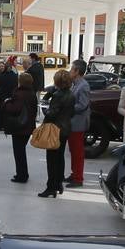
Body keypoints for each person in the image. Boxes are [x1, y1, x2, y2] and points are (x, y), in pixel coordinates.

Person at [39, 70, 74, 198]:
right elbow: (72, 112)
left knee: (52, 159)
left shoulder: (58, 95)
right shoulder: (71, 94)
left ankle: (51, 187)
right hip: (65, 128)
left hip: (55, 129)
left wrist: (46, 111)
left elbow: (52, 113)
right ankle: (58, 183)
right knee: (59, 158)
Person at [3, 72, 38, 184]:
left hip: (19, 127)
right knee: (21, 151)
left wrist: (7, 102)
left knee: (18, 152)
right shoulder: (32, 93)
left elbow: (15, 109)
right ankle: (23, 173)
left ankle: (21, 175)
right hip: (28, 126)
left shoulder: (19, 93)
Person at [65, 60, 91, 188]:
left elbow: (83, 105)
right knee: (73, 150)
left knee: (77, 152)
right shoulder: (75, 84)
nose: (70, 71)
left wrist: (68, 107)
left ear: (77, 72)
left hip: (78, 123)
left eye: (72, 69)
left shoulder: (83, 86)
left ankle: (78, 178)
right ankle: (74, 173)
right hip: (72, 122)